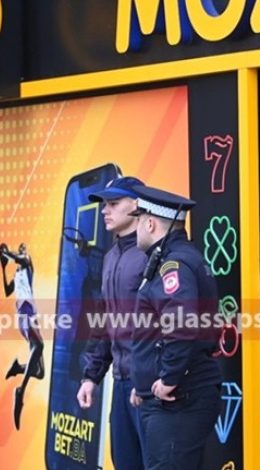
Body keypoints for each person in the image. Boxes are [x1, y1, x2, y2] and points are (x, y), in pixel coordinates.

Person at [128, 185, 221, 470]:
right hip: (173, 398)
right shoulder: (173, 258)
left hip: (179, 399)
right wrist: (143, 384)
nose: (136, 228)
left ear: (150, 223)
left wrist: (168, 378)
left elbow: (180, 323)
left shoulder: (174, 264)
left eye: (138, 220)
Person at [76, 176, 148, 470]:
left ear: (137, 205)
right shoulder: (111, 257)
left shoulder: (154, 254)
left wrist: (149, 379)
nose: (105, 210)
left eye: (114, 203)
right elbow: (105, 322)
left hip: (149, 386)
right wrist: (90, 377)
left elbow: (169, 325)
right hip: (120, 383)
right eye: (105, 204)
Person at [1, 242, 44, 430]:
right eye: (20, 249)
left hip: (30, 315)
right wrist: (3, 267)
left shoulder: (27, 263)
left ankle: (18, 367)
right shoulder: (17, 274)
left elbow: (18, 258)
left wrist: (5, 253)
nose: (22, 251)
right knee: (39, 346)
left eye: (23, 249)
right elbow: (7, 290)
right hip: (24, 313)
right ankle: (20, 392)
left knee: (40, 372)